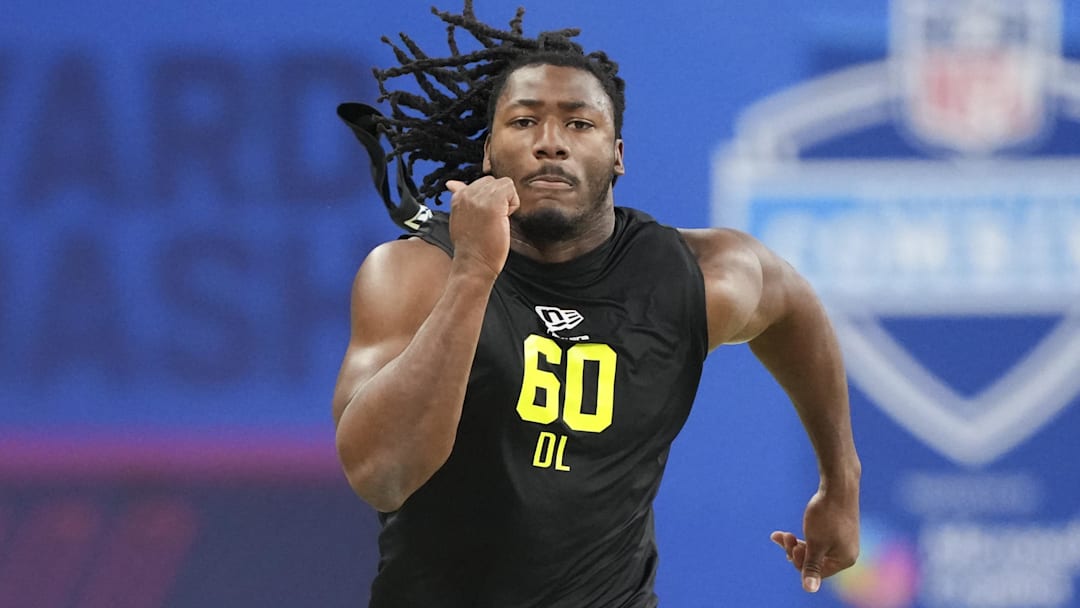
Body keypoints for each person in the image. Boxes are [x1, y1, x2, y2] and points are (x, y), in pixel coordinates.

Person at [332, 3, 860, 606]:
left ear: (617, 156)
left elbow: (794, 307)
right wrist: (474, 275)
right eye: (524, 121)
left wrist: (840, 482)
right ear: (488, 154)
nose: (550, 144)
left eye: (579, 125)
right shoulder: (414, 273)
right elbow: (382, 476)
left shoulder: (695, 277)